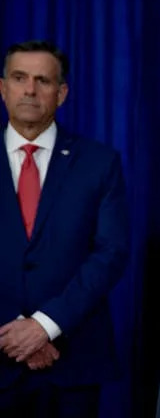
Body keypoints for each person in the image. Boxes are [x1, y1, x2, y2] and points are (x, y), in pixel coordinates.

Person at [0, 41, 128, 417]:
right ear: (2, 87)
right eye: (20, 78)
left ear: (62, 92)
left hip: (72, 362)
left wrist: (45, 325)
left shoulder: (99, 162)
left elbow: (111, 252)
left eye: (43, 80)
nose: (30, 90)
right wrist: (15, 334)